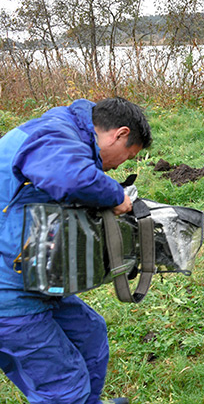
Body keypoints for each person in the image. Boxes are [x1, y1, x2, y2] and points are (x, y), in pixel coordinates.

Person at [0, 97, 152, 404]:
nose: (120, 165)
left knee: (89, 335)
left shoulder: (65, 133)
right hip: (8, 294)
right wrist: (114, 194)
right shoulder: (54, 135)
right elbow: (68, 177)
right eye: (127, 156)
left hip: (30, 277)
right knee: (64, 385)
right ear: (119, 134)